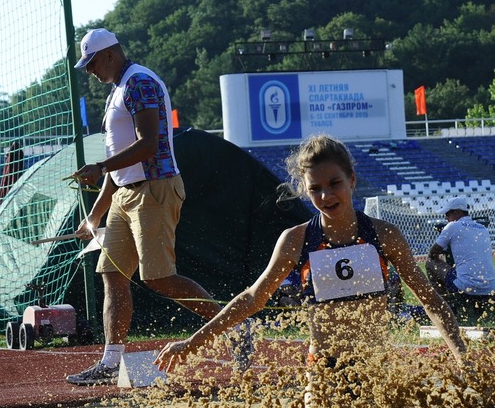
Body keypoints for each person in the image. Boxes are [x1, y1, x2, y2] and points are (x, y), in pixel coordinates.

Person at [155, 134, 466, 380]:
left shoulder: (384, 235)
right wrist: (190, 343)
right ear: (305, 190)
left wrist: (462, 357)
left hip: (375, 367)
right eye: (315, 189)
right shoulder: (296, 240)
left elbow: (430, 298)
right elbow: (252, 298)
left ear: (352, 181)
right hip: (323, 366)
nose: (326, 196)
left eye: (335, 184)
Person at [67, 28, 242, 385]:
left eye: (92, 63)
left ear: (110, 55)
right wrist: (95, 214)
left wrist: (102, 168)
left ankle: (236, 328)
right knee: (112, 274)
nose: (90, 71)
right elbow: (118, 164)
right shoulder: (118, 90)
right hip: (126, 194)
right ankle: (111, 362)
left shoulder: (139, 83)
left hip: (153, 189)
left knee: (158, 277)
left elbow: (149, 145)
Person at [425, 196, 495, 322]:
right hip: (491, 289)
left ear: (457, 212)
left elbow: (432, 253)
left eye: (448, 214)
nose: (446, 217)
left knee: (430, 263)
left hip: (466, 287)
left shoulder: (452, 227)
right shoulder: (483, 228)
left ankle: (445, 308)